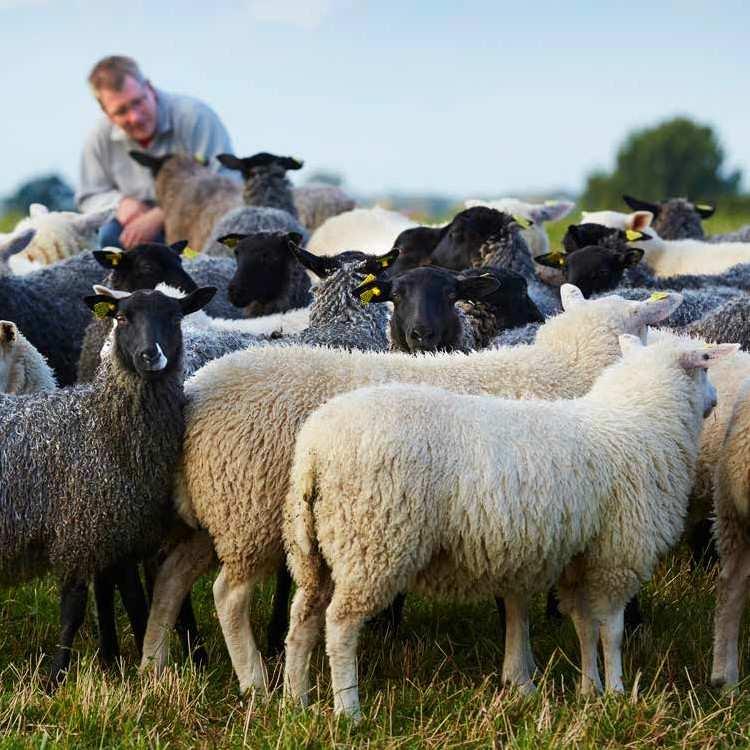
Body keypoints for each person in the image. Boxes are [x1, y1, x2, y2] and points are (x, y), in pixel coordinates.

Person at [76, 55, 239, 249]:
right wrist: (120, 204)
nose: (135, 117)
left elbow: (227, 182)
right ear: (106, 113)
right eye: (121, 111)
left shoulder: (195, 117)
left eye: (138, 102)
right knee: (111, 236)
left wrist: (161, 214)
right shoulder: (98, 138)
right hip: (134, 225)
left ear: (150, 89)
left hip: (197, 220)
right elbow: (89, 195)